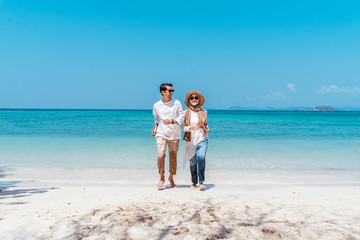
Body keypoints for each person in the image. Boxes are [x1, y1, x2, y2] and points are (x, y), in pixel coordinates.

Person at [152, 83, 184, 189]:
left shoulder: (177, 103)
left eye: (172, 91)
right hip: (161, 132)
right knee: (160, 155)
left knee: (173, 157)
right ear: (162, 92)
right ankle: (162, 177)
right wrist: (155, 128)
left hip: (174, 134)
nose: (171, 93)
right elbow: (157, 118)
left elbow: (182, 116)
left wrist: (172, 121)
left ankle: (171, 177)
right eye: (169, 91)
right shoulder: (156, 105)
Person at [182, 90, 209, 190]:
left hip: (202, 139)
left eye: (196, 98)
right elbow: (183, 128)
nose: (194, 100)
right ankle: (194, 183)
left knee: (201, 158)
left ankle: (201, 182)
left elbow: (206, 124)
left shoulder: (204, 112)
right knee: (193, 163)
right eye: (191, 98)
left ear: (199, 100)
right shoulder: (185, 112)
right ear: (188, 100)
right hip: (190, 141)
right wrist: (190, 128)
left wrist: (207, 129)